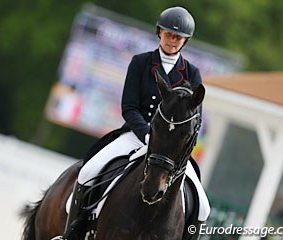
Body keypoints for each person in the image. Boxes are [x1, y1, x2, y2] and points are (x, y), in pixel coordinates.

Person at [52, 6, 210, 240]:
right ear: (159, 33)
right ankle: (73, 232)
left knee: (203, 205)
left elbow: (194, 117)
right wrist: (147, 134)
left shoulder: (192, 74)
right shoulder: (141, 62)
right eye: (168, 34)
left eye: (178, 37)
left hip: (171, 148)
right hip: (138, 134)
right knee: (88, 171)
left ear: (186, 40)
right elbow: (129, 107)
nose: (172, 40)